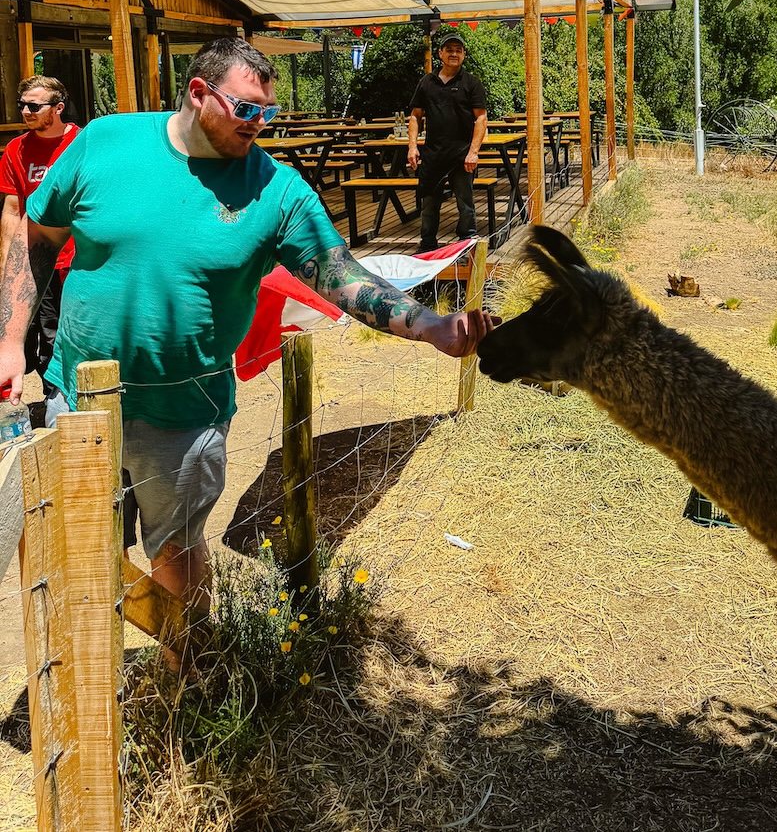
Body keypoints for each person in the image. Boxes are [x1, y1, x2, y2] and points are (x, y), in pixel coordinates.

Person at [0, 39, 495, 650]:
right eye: (247, 109)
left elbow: (340, 275)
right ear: (199, 93)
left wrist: (430, 326)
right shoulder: (104, 142)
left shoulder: (275, 190)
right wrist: (10, 342)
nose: (259, 123)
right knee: (76, 548)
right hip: (77, 401)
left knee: (176, 554)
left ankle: (187, 671)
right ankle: (90, 679)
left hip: (185, 413)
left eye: (268, 111)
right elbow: (37, 238)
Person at [0, 76, 78, 405]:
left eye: (34, 106)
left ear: (58, 108)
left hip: (80, 261)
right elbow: (12, 210)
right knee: (48, 336)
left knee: (79, 332)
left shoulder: (82, 143)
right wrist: (7, 265)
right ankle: (53, 403)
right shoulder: (16, 150)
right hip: (38, 262)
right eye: (22, 105)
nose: (26, 112)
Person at [407, 33, 488, 252]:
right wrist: (412, 146)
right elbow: (415, 116)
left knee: (465, 204)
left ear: (464, 55)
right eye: (449, 49)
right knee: (429, 204)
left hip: (462, 155)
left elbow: (481, 118)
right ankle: (427, 246)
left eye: (458, 50)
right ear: (440, 53)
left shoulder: (471, 83)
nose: (454, 54)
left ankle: (467, 244)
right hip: (433, 154)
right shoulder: (427, 82)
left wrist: (473, 152)